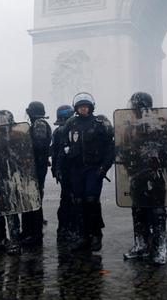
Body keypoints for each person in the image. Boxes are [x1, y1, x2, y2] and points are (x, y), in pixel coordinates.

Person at [60, 92, 114, 252]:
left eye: (86, 106)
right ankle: (83, 236)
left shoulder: (99, 123)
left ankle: (96, 235)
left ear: (91, 107)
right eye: (81, 106)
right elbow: (64, 148)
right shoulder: (70, 124)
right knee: (79, 202)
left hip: (93, 169)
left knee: (91, 200)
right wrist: (60, 169)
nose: (84, 108)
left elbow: (110, 148)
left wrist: (104, 167)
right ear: (76, 108)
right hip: (76, 170)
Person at [122, 92, 167, 265]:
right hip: (136, 175)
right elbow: (123, 148)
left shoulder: (159, 125)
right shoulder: (129, 126)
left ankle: (160, 248)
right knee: (138, 210)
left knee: (157, 212)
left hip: (154, 175)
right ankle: (140, 244)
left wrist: (157, 160)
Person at [0, 109, 23, 255]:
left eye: (3, 119)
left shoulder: (16, 135)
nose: (0, 122)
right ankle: (0, 239)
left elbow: (20, 157)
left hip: (10, 177)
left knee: (11, 209)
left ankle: (15, 241)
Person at [21, 101, 52, 247]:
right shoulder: (37, 124)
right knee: (30, 200)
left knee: (34, 200)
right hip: (34, 167)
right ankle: (28, 231)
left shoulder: (39, 124)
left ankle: (35, 234)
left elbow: (39, 145)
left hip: (36, 168)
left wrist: (24, 143)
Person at [51, 104, 74, 243]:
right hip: (70, 171)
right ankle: (68, 229)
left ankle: (63, 229)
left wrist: (56, 170)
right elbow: (58, 153)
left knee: (65, 201)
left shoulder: (58, 131)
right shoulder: (64, 131)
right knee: (70, 201)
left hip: (64, 171)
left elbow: (55, 154)